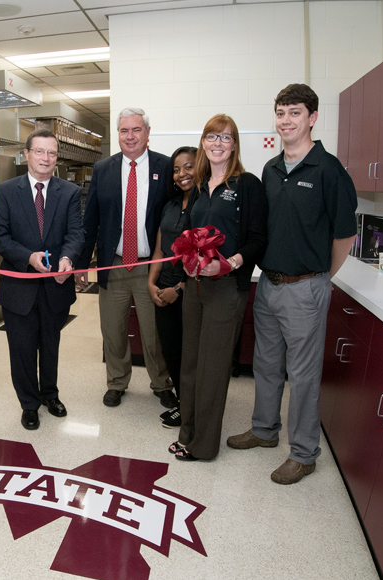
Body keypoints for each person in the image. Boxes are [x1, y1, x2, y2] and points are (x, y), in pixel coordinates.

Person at [227, 84, 357, 484]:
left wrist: (318, 279)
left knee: (302, 375)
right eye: (281, 113)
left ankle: (303, 453)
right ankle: (265, 431)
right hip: (268, 284)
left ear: (312, 118)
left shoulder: (329, 170)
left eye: (295, 113)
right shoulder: (270, 169)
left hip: (305, 287)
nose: (286, 120)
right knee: (266, 364)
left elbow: (344, 237)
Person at [169, 114, 267, 462]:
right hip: (196, 287)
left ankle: (204, 445)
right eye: (212, 137)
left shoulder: (247, 185)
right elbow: (187, 234)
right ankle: (187, 435)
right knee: (191, 364)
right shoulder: (197, 186)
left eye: (225, 138)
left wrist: (228, 263)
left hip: (226, 288)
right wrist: (187, 256)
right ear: (203, 143)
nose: (218, 144)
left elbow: (257, 240)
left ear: (235, 145)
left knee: (213, 368)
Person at [76, 108, 176, 411]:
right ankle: (117, 382)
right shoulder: (104, 168)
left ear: (147, 133)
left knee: (153, 332)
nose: (129, 136)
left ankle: (161, 383)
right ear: (117, 134)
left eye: (135, 130)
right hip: (114, 264)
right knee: (113, 330)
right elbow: (90, 219)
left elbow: (174, 217)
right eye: (123, 131)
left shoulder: (166, 166)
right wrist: (82, 263)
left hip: (151, 268)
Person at [0, 129, 84, 430]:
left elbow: (75, 234)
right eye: (39, 151)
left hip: (56, 286)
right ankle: (29, 404)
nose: (45, 158)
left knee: (51, 346)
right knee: (22, 348)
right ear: (27, 153)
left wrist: (67, 259)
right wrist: (28, 257)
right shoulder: (5, 191)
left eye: (52, 153)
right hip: (20, 286)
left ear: (57, 158)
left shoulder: (69, 192)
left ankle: (50, 394)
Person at [147, 146, 197, 429]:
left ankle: (192, 406)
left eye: (188, 167)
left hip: (188, 291)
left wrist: (178, 289)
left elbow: (206, 256)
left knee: (190, 353)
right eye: (177, 170)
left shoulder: (204, 203)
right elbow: (159, 248)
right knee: (171, 351)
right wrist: (151, 283)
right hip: (162, 288)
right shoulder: (170, 205)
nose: (182, 175)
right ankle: (182, 402)